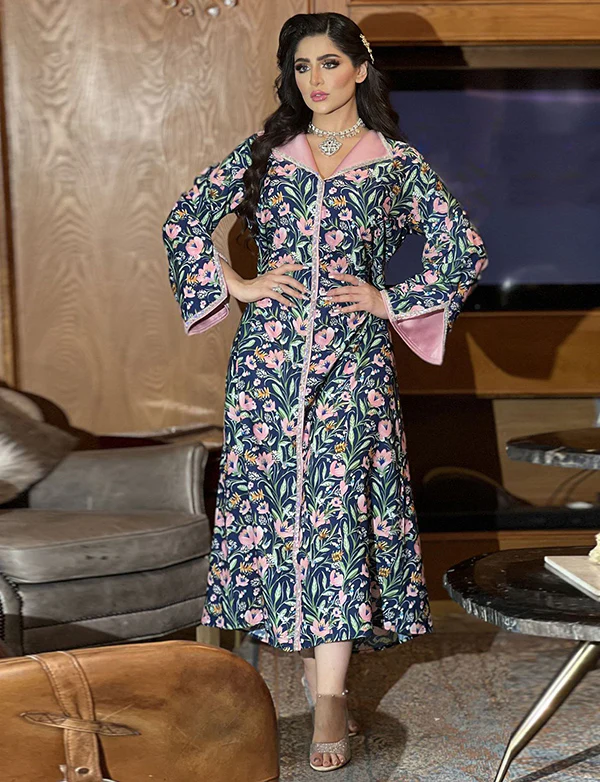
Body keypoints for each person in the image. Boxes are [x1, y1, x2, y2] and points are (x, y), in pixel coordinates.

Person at [162, 11, 488, 773]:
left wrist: (390, 299)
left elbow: (462, 249)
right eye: (302, 66)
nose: (315, 79)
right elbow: (185, 221)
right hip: (267, 369)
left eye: (330, 63)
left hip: (353, 365)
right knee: (286, 519)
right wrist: (240, 283)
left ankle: (332, 697)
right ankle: (316, 674)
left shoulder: (395, 162)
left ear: (361, 69)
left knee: (337, 518)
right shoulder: (264, 152)